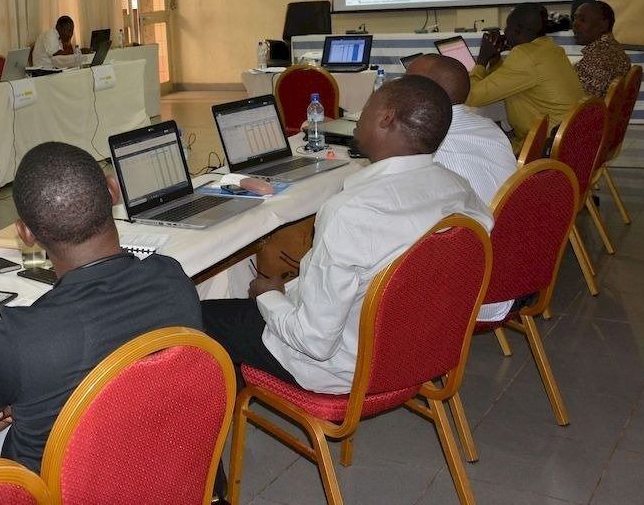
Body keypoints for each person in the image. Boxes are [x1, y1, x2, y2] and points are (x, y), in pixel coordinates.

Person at [0, 142, 201, 491]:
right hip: (157, 465)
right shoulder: (172, 279)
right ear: (113, 191)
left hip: (45, 490)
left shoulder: (15, 341)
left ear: (26, 234)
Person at [201, 77, 494, 394]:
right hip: (418, 349)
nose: (358, 117)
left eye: (367, 107)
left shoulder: (350, 212)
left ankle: (207, 407)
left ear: (385, 118)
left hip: (341, 367)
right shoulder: (460, 189)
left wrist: (268, 295)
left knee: (199, 316)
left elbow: (314, 342)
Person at [467, 3, 585, 145]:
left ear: (517, 30)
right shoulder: (551, 48)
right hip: (571, 139)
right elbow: (505, 82)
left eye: (507, 27)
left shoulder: (525, 55)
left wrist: (481, 60)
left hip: (547, 146)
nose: (505, 32)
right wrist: (495, 61)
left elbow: (471, 97)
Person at [407, 54, 517, 204]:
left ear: (425, 94)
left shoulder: (432, 148)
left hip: (478, 217)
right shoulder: (488, 126)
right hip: (511, 212)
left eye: (406, 83)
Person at [573, 0, 631, 97]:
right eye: (574, 18)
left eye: (583, 20)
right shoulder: (615, 49)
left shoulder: (595, 60)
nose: (575, 24)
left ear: (603, 26)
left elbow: (576, 100)